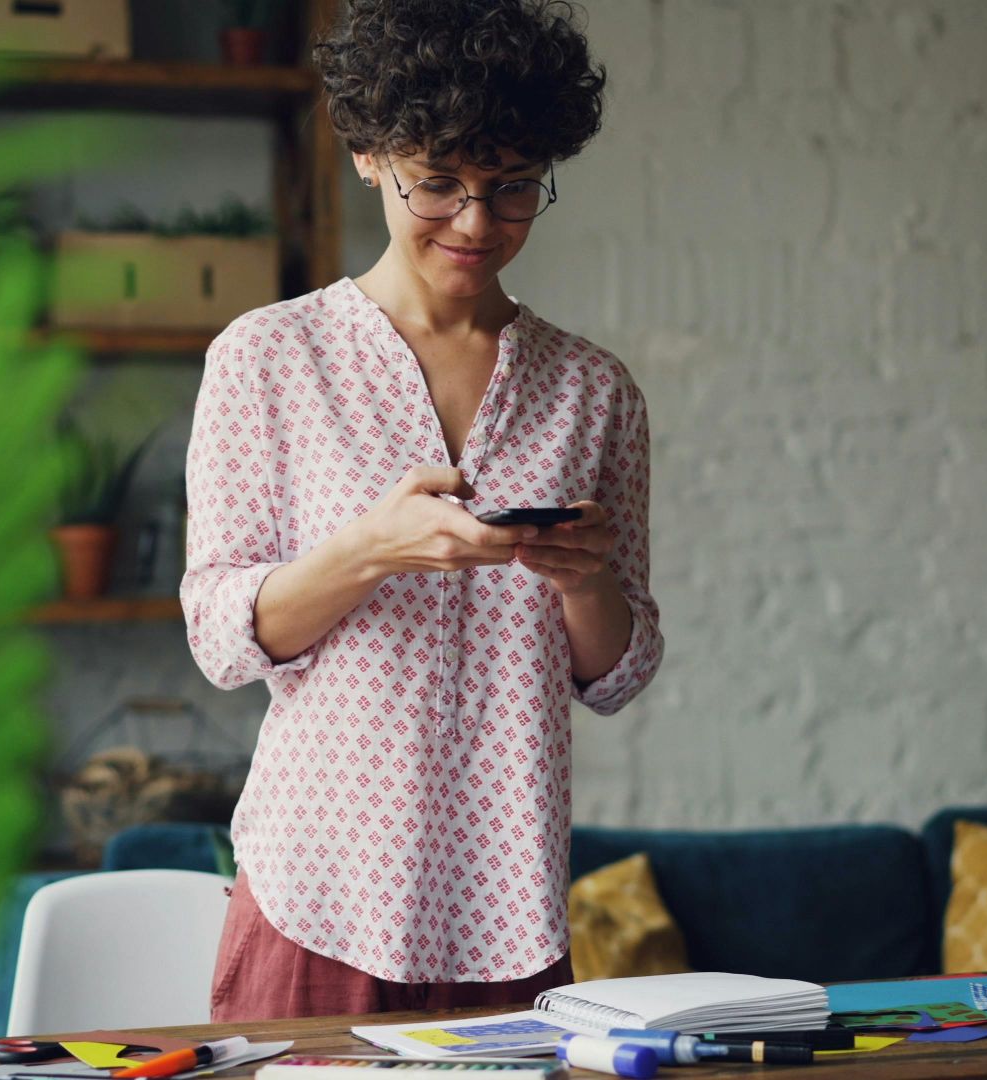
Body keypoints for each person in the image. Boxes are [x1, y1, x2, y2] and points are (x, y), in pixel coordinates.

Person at [182, 0, 663, 1022]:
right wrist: (370, 549)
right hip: (318, 891)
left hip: (509, 897)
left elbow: (619, 673)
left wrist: (587, 582)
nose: (478, 224)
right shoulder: (268, 359)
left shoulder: (595, 390)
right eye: (438, 184)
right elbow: (222, 638)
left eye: (513, 189)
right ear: (368, 155)